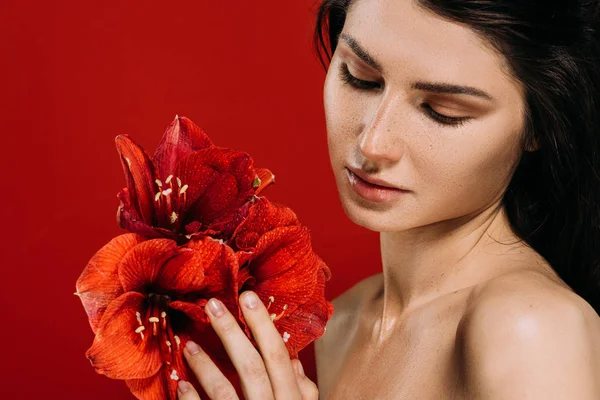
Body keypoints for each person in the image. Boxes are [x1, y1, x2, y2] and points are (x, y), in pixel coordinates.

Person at [175, 0, 600, 398]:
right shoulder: (335, 324)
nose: (373, 142)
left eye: (442, 110)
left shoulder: (533, 329)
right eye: (360, 78)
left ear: (538, 127)